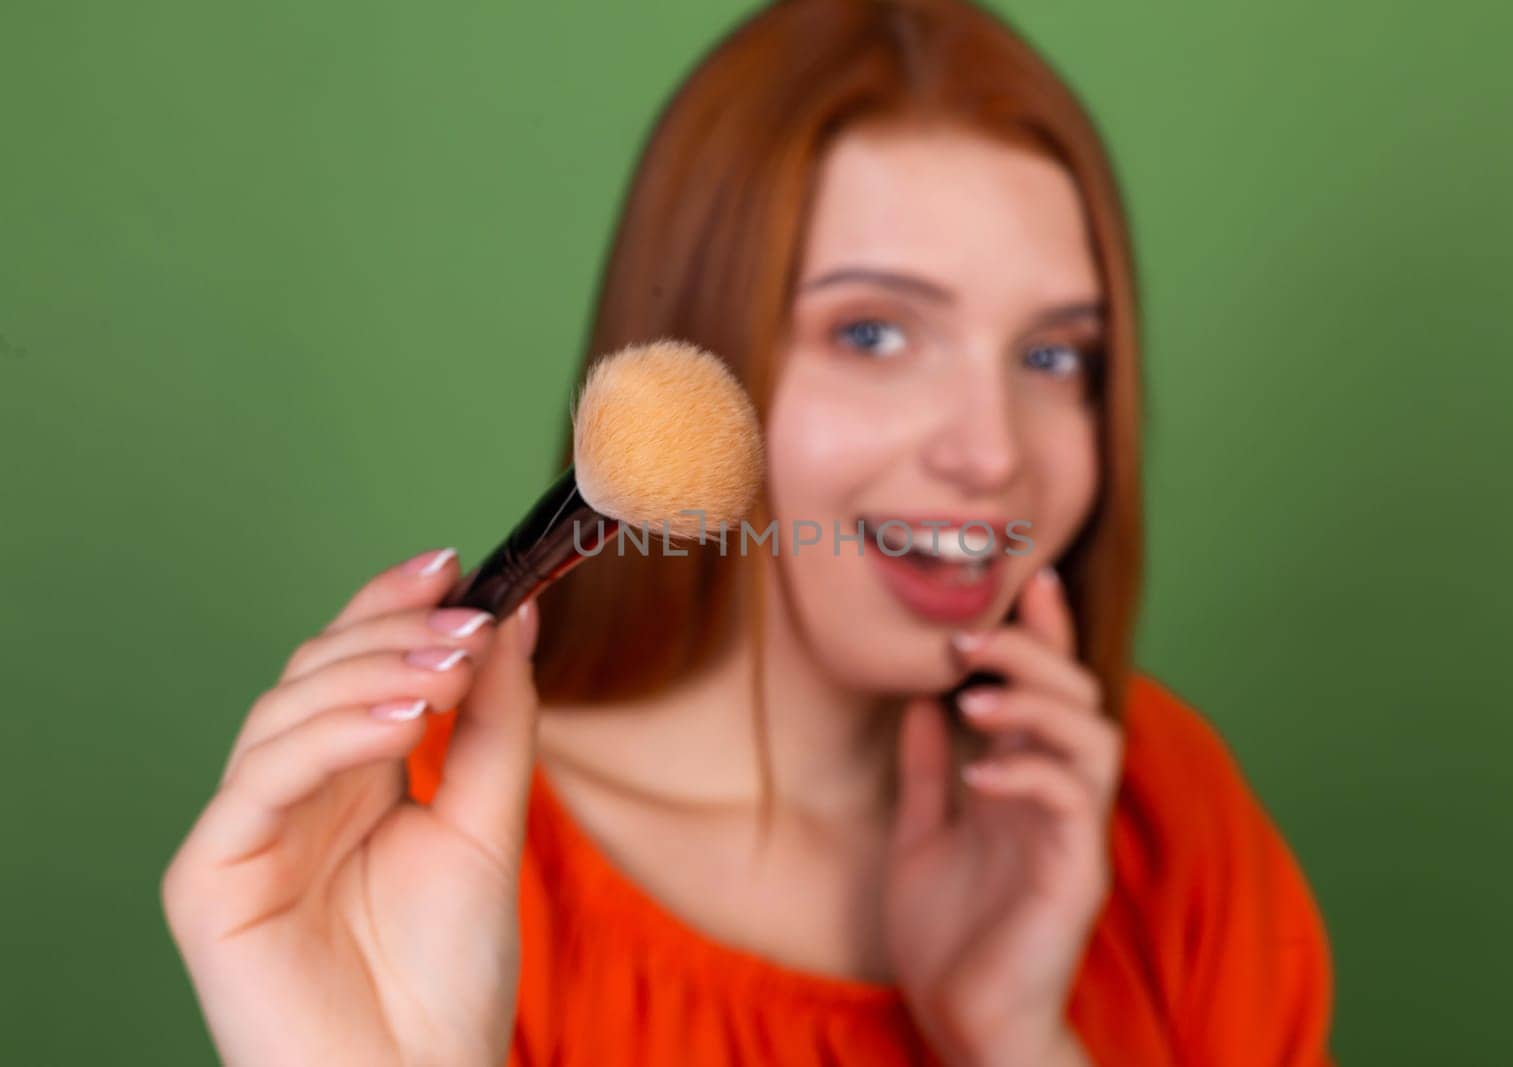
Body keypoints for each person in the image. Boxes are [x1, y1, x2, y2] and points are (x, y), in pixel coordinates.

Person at [161, 1, 1336, 1063]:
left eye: (1052, 355)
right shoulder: (410, 843)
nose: (991, 450)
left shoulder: (1165, 820)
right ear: (701, 370)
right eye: (874, 333)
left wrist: (1013, 1036)